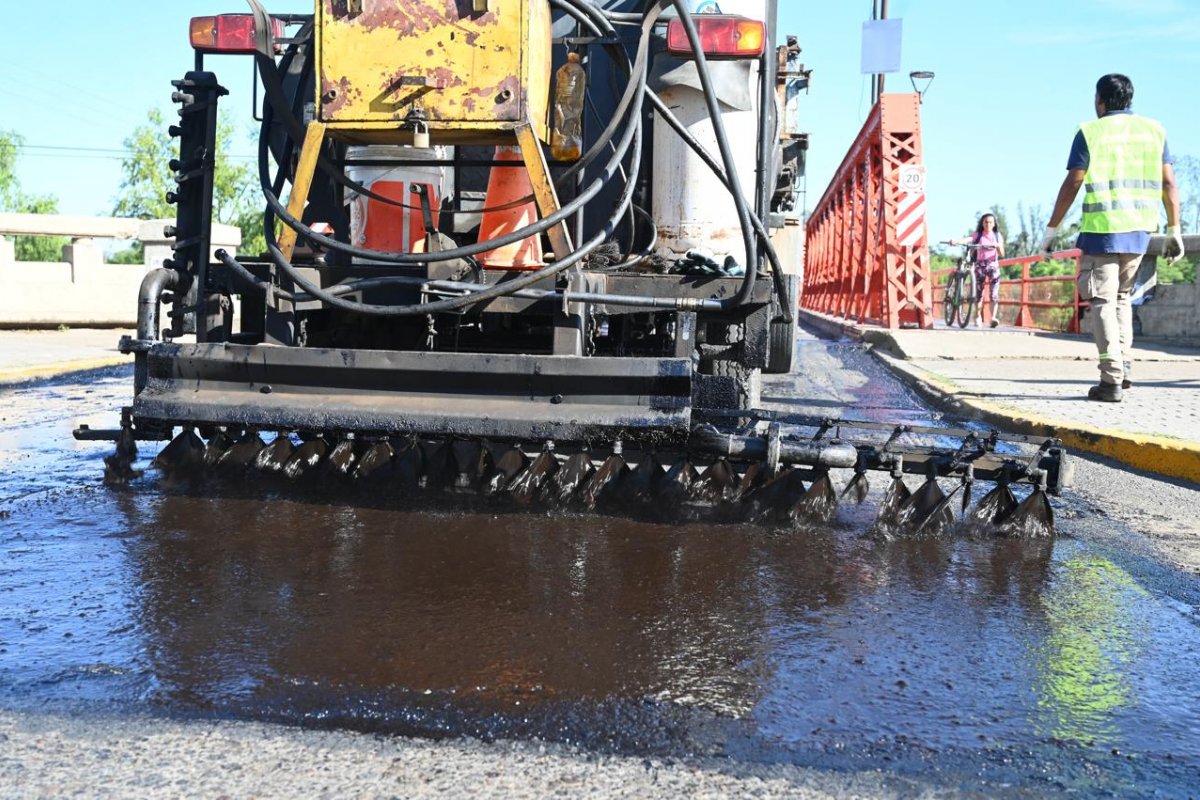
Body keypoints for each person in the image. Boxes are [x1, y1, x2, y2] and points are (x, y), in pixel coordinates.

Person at [1039, 73, 1183, 403]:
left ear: (1100, 100)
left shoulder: (1090, 131)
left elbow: (1074, 182)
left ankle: (1110, 379)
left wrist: (1051, 230)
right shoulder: (1155, 131)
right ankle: (1124, 366)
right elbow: (1169, 184)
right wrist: (1173, 229)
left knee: (1102, 300)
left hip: (1103, 230)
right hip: (1140, 230)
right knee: (1121, 298)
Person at [952, 213, 1006, 327]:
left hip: (993, 265)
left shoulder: (997, 236)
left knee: (994, 294)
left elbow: (1002, 254)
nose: (988, 224)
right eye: (986, 222)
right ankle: (977, 316)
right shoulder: (978, 234)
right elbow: (969, 239)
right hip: (980, 266)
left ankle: (993, 318)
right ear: (982, 223)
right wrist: (956, 241)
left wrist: (997, 246)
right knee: (979, 293)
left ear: (994, 224)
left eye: (990, 222)